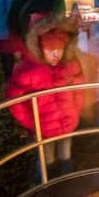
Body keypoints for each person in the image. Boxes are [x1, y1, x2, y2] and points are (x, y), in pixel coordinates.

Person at [5, 15, 84, 177]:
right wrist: (30, 121)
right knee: (46, 158)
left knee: (66, 154)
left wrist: (75, 109)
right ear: (40, 49)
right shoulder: (28, 70)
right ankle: (44, 186)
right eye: (50, 51)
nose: (56, 55)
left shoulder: (70, 64)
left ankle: (66, 179)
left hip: (67, 124)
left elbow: (80, 87)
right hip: (43, 128)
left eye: (59, 50)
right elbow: (14, 98)